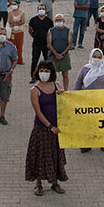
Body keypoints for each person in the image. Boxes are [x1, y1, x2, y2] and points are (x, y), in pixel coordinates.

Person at [26, 60, 68, 195]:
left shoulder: (57, 85)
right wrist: (50, 126)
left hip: (57, 128)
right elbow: (38, 112)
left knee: (55, 155)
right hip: (42, 128)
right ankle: (38, 184)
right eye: (42, 70)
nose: (44, 73)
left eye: (47, 71)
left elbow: (64, 105)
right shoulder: (35, 90)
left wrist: (63, 95)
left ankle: (54, 182)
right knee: (40, 156)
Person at [74, 48, 104, 154]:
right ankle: (86, 144)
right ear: (91, 57)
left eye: (99, 57)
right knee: (87, 124)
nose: (97, 59)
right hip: (87, 103)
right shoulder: (85, 69)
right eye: (95, 57)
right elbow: (78, 84)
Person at [28, 5, 54, 82]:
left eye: (43, 9)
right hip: (36, 43)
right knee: (34, 60)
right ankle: (33, 76)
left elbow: (51, 31)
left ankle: (49, 76)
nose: (41, 10)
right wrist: (34, 36)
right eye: (40, 9)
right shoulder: (33, 20)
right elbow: (30, 30)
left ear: (45, 10)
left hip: (46, 44)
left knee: (47, 60)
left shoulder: (49, 21)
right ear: (37, 10)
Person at [48, 13, 73, 88]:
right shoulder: (51, 31)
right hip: (53, 55)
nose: (59, 21)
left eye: (60, 20)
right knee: (52, 74)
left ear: (64, 21)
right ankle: (52, 89)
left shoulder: (68, 31)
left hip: (64, 55)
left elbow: (70, 44)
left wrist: (62, 54)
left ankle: (66, 90)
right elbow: (49, 45)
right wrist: (56, 54)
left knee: (65, 74)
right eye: (57, 20)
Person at [8, 0, 26, 66]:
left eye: (15, 4)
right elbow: (9, 21)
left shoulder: (22, 12)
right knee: (11, 47)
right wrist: (18, 22)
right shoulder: (10, 12)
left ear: (18, 4)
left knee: (19, 47)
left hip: (20, 32)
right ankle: (11, 59)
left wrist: (15, 23)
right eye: (12, 4)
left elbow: (23, 21)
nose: (14, 5)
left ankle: (20, 60)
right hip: (12, 33)